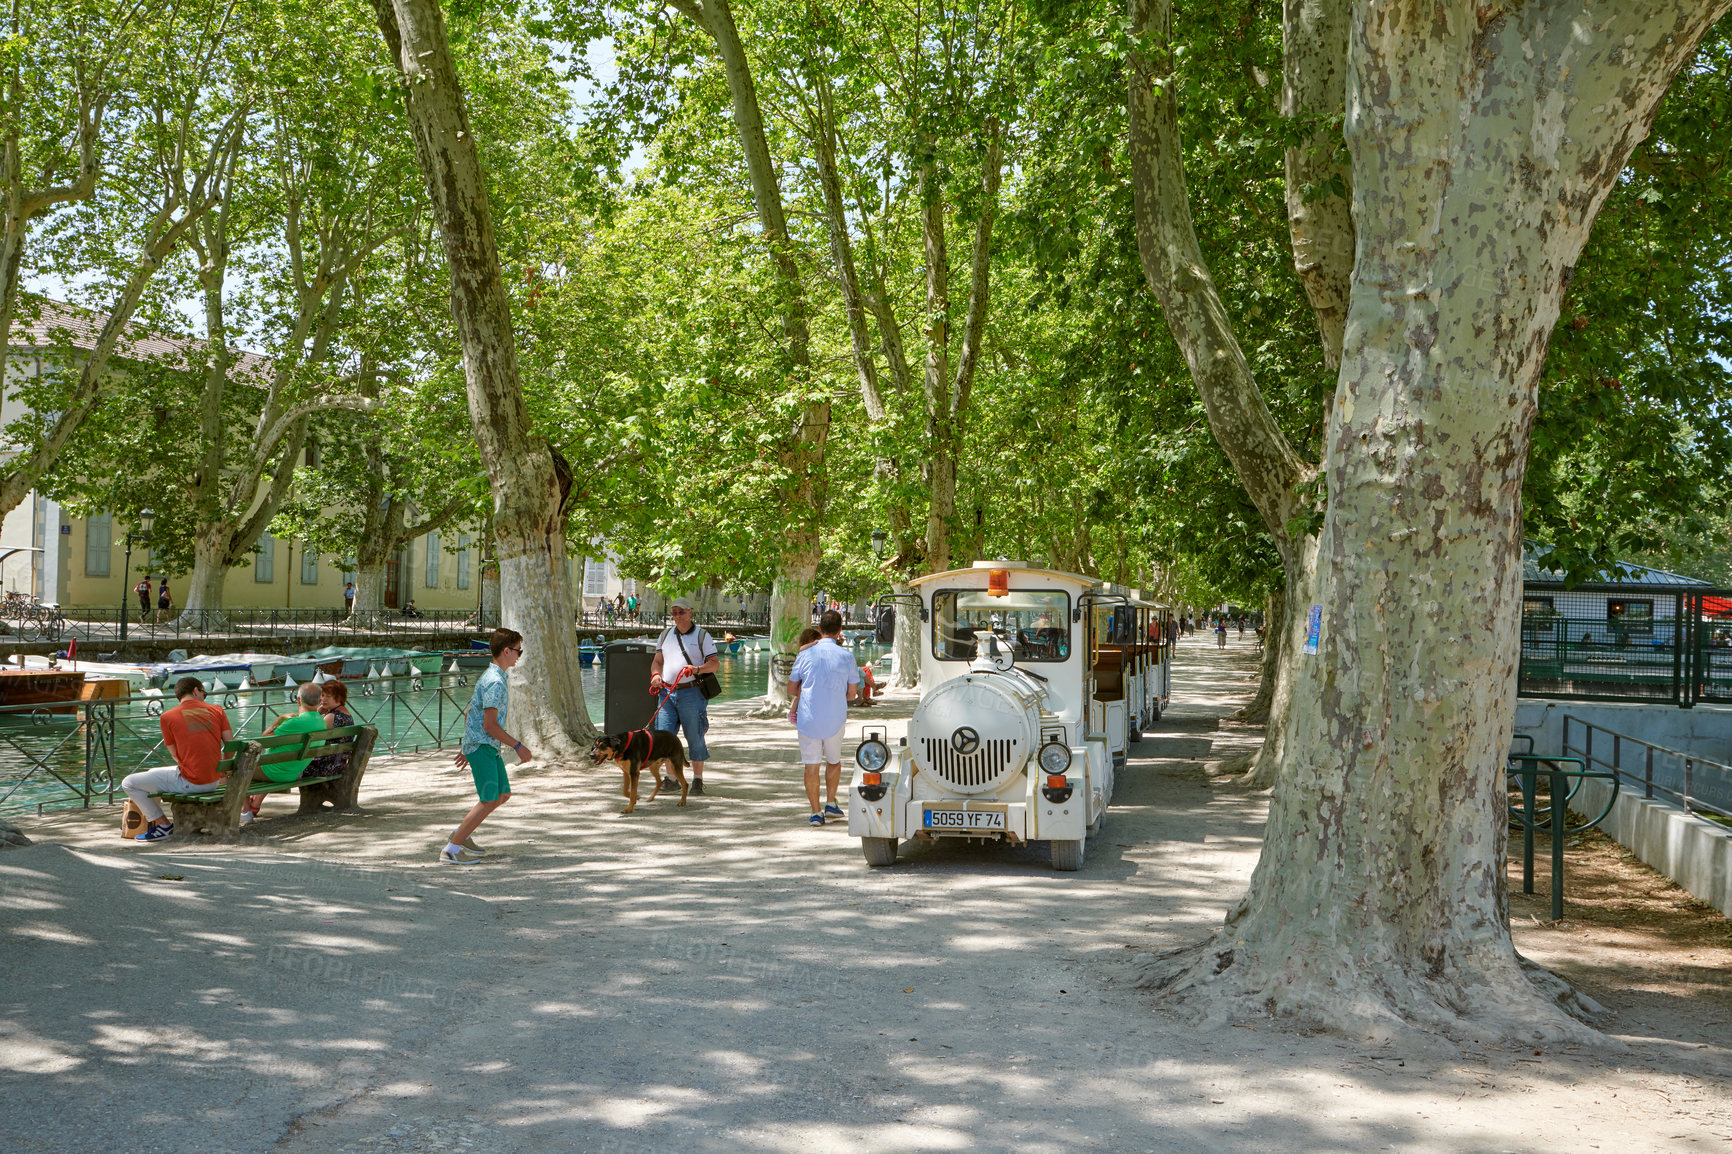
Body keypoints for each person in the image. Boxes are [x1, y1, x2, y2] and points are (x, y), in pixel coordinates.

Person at [442, 628, 531, 864]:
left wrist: (466, 744)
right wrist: (518, 746)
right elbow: (490, 725)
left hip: (483, 745)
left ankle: (461, 834)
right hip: (483, 745)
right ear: (506, 650)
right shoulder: (495, 682)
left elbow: (471, 710)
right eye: (518, 651)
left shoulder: (492, 676)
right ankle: (451, 849)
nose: (519, 656)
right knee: (489, 799)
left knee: (502, 794)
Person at [121, 676, 235, 841]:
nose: (204, 696)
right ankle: (151, 821)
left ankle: (162, 825)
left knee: (129, 783)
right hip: (215, 780)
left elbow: (175, 755)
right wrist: (224, 768)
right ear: (196, 690)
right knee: (153, 772)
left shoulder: (167, 717)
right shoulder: (217, 710)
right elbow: (230, 744)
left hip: (193, 783)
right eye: (204, 692)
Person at [788, 610, 859, 826]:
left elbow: (791, 688)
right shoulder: (847, 656)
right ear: (840, 631)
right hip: (835, 718)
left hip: (808, 717)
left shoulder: (804, 655)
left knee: (811, 766)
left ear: (819, 629)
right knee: (834, 762)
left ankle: (815, 813)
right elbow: (852, 694)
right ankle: (830, 803)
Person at [650, 597, 719, 794]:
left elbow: (714, 663)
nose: (677, 616)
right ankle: (671, 779)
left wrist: (696, 669)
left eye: (681, 612)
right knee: (664, 737)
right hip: (666, 692)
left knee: (694, 735)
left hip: (692, 692)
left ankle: (697, 780)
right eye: (674, 613)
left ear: (690, 612)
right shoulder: (665, 635)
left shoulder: (702, 635)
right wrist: (655, 675)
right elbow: (657, 661)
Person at [245, 681, 331, 820]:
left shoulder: (293, 723)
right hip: (294, 772)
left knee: (237, 768)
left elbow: (262, 740)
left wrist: (279, 720)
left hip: (275, 772)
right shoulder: (321, 721)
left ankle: (246, 811)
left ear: (298, 700)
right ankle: (253, 805)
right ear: (319, 700)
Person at [303, 679, 354, 781]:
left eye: (328, 696)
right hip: (338, 765)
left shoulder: (331, 717)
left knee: (280, 767)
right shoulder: (346, 714)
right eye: (322, 695)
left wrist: (316, 712)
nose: (323, 699)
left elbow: (306, 730)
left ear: (339, 698)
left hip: (322, 768)